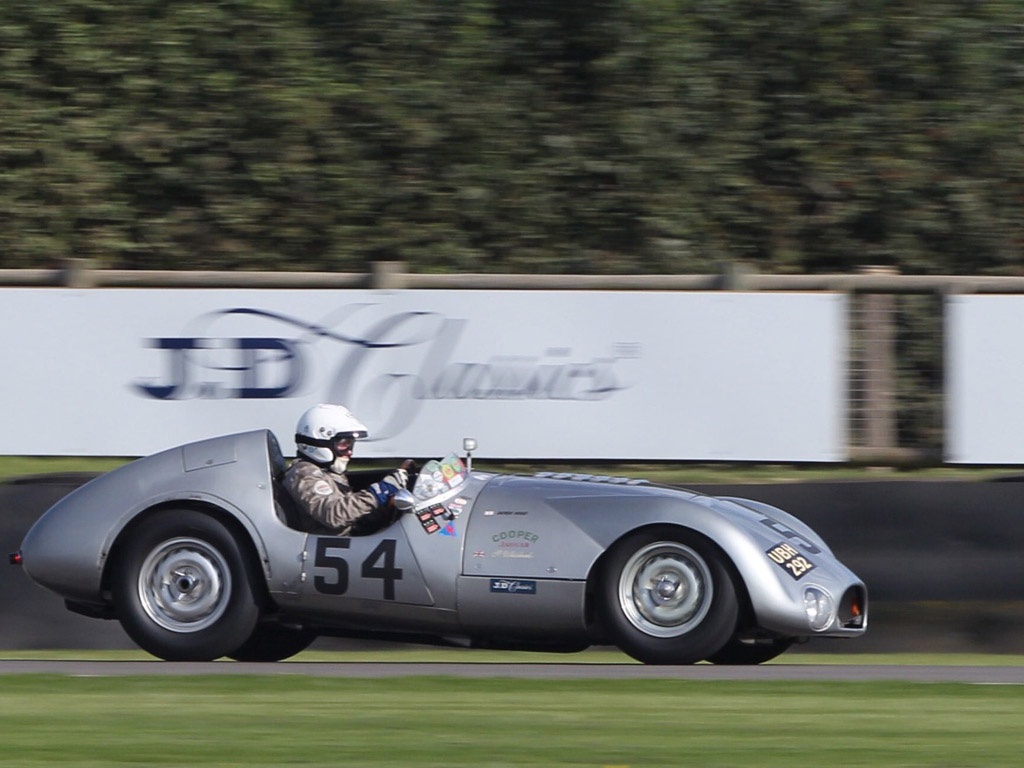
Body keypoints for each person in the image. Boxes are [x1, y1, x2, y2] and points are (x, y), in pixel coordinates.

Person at [282, 403, 415, 535]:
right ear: (320, 442)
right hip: (331, 545)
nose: (349, 452)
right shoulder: (304, 473)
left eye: (351, 444)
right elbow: (333, 514)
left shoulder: (328, 472)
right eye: (343, 444)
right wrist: (378, 492)